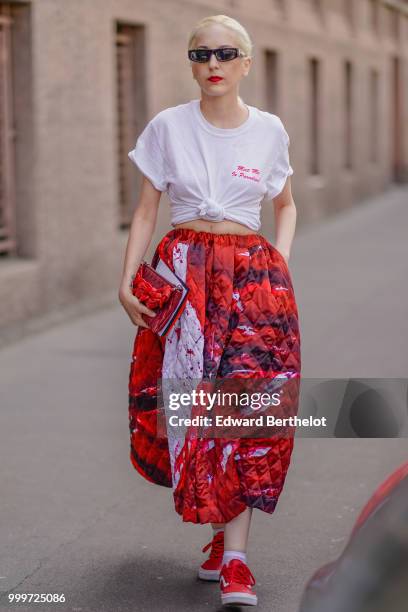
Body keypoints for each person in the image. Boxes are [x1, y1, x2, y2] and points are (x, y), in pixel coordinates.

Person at [118, 14, 301, 608]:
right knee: (197, 411)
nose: (213, 64)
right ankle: (224, 535)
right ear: (192, 63)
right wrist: (128, 279)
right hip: (184, 279)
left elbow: (287, 205)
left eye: (226, 53)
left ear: (246, 62)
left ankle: (238, 561)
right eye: (201, 54)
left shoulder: (270, 131)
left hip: (253, 279)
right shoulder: (168, 128)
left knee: (245, 411)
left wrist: (281, 264)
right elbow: (147, 209)